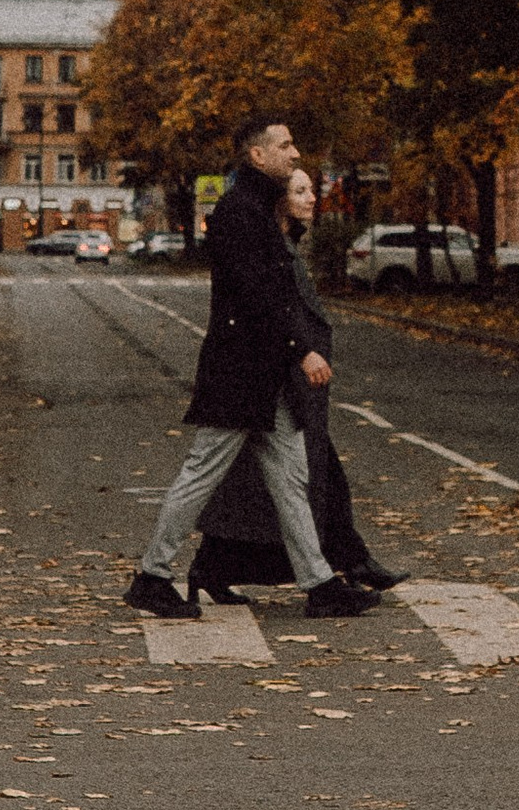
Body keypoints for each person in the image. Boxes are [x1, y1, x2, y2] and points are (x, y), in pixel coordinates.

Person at [124, 115, 381, 621]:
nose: (296, 153)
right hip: (240, 375)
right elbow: (259, 294)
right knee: (200, 476)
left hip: (262, 377)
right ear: (257, 156)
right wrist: (301, 349)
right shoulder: (240, 212)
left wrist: (294, 349)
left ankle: (320, 583)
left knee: (292, 478)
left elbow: (275, 291)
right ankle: (152, 576)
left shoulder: (256, 207)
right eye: (286, 146)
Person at [190, 169, 396, 601]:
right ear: (280, 200)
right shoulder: (273, 246)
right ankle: (177, 569)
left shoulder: (288, 244)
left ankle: (329, 568)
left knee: (279, 483)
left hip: (287, 381)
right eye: (300, 191)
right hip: (276, 381)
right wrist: (301, 352)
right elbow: (272, 311)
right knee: (238, 480)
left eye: (311, 190)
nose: (311, 199)